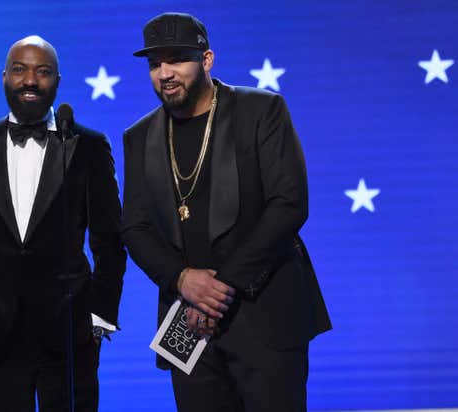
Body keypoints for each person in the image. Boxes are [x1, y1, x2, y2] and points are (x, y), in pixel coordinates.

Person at [122, 12, 332, 411]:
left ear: (206, 59)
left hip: (264, 311)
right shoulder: (139, 136)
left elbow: (289, 204)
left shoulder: (261, 111)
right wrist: (182, 280)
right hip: (186, 322)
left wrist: (217, 291)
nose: (165, 73)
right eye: (154, 64)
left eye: (177, 59)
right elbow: (135, 227)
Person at [0, 35, 126, 412]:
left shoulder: (86, 146)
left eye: (43, 71)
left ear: (58, 81)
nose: (30, 80)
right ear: (4, 77)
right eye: (19, 70)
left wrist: (100, 316)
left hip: (69, 336)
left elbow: (109, 240)